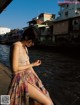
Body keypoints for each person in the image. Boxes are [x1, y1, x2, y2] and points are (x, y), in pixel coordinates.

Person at [8, 26, 54, 105]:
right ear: (26, 37)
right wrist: (33, 64)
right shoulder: (16, 46)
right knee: (48, 103)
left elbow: (29, 66)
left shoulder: (25, 48)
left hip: (29, 77)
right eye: (31, 41)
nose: (32, 44)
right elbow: (14, 69)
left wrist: (38, 79)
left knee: (39, 100)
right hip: (20, 80)